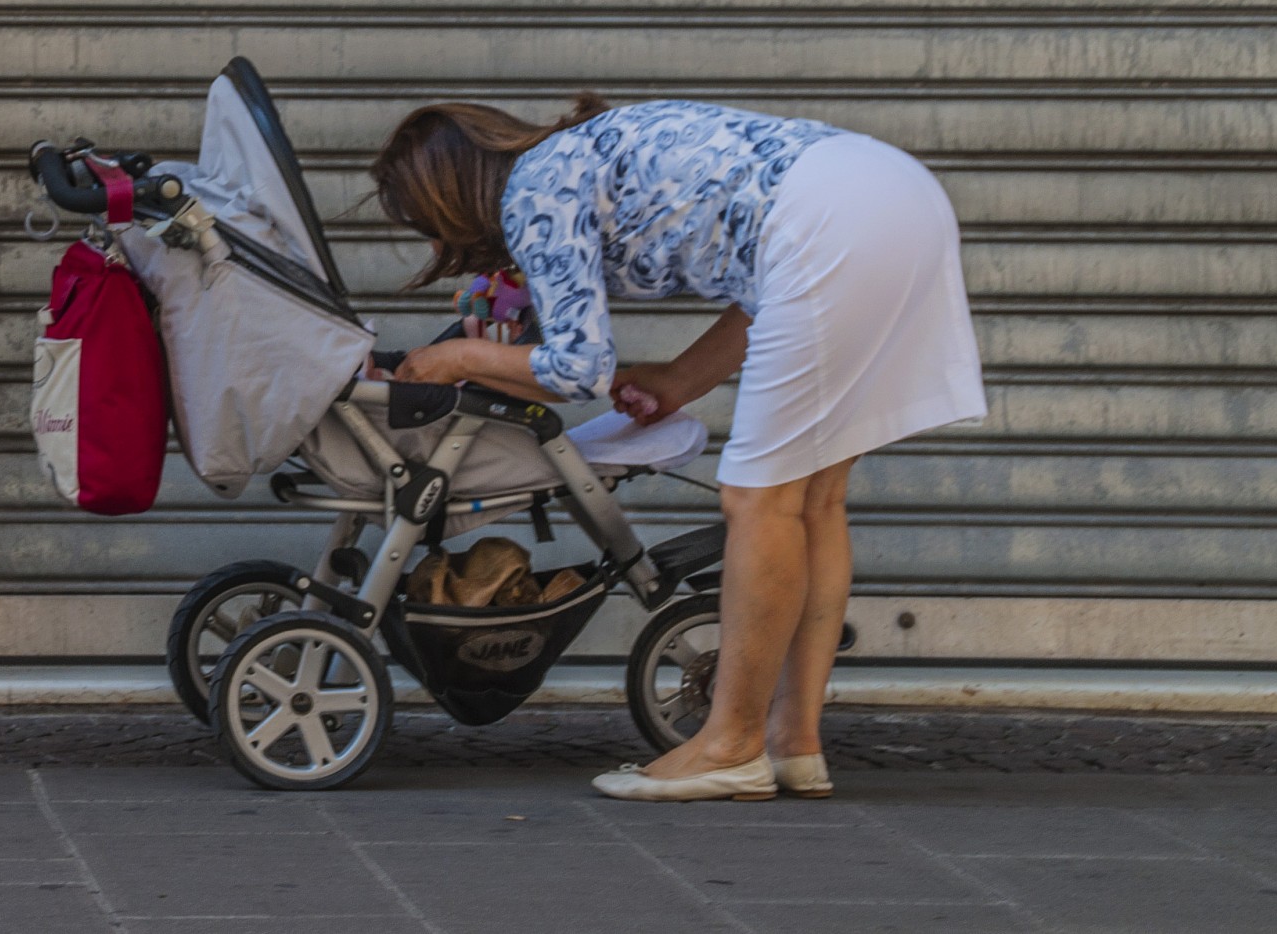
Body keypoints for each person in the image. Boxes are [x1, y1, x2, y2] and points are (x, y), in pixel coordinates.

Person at [370, 97, 986, 801]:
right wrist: (680, 379)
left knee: (760, 501)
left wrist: (456, 361)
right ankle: (794, 743)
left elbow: (579, 370)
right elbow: (769, 279)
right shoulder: (585, 149)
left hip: (828, 222)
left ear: (449, 203)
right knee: (815, 500)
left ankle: (729, 746)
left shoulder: (533, 188)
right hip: (893, 191)